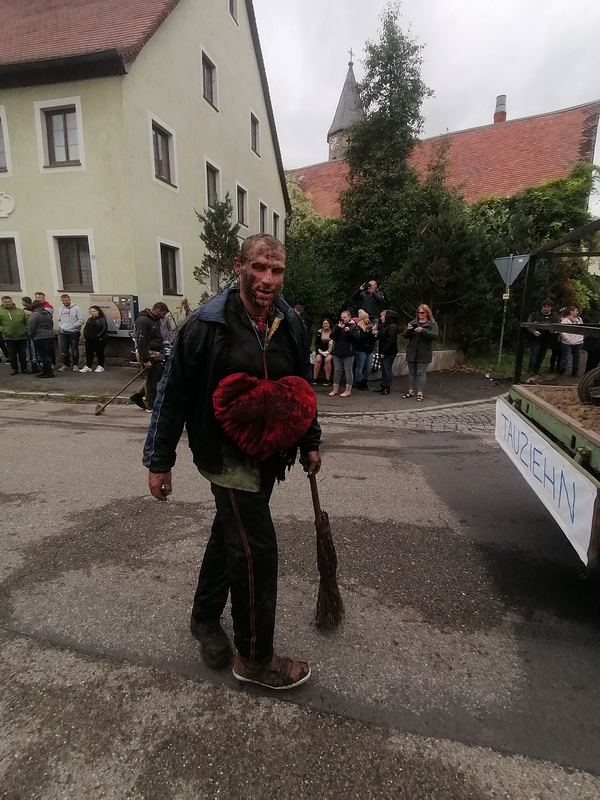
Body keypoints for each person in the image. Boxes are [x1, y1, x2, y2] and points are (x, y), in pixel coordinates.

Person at [143, 233, 321, 690]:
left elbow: (301, 387)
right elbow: (172, 395)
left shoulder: (289, 322)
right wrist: (159, 460)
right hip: (225, 456)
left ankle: (204, 618)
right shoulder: (206, 325)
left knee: (231, 535)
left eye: (276, 270)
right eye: (259, 267)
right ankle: (255, 659)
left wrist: (309, 441)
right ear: (239, 266)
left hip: (269, 453)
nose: (268, 279)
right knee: (257, 549)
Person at [130, 302, 169, 412]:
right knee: (152, 380)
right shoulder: (144, 321)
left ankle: (138, 395)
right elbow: (142, 341)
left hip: (155, 353)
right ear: (158, 311)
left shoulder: (153, 320)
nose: (163, 317)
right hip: (150, 354)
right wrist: (145, 359)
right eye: (163, 314)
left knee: (158, 376)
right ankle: (150, 405)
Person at [402, 305, 439, 401]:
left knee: (420, 373)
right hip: (412, 351)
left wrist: (422, 330)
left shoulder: (432, 324)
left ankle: (420, 393)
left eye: (422, 312)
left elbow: (434, 336)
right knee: (411, 373)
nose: (420, 314)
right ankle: (410, 391)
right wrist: (408, 330)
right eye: (418, 312)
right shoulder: (413, 322)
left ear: (427, 313)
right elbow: (404, 335)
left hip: (424, 352)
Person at [329, 309, 359, 397]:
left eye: (345, 317)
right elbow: (332, 336)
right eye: (342, 317)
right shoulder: (337, 326)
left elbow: (356, 339)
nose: (343, 319)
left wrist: (348, 331)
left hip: (348, 352)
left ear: (349, 317)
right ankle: (335, 389)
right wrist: (338, 328)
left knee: (348, 371)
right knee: (337, 370)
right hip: (337, 352)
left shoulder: (354, 327)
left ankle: (348, 390)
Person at [527, 300, 560, 374]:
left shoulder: (555, 316)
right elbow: (529, 325)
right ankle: (531, 370)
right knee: (534, 354)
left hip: (547, 338)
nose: (546, 308)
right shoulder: (535, 315)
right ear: (542, 307)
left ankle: (537, 370)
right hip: (536, 338)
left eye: (548, 307)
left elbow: (558, 326)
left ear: (551, 308)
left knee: (542, 355)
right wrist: (533, 331)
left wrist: (554, 331)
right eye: (544, 307)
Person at [0, 296, 29, 374]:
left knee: (22, 354)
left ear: (12, 301)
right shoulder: (1, 311)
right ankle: (14, 369)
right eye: (6, 302)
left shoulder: (20, 311)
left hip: (21, 336)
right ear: (3, 302)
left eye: (9, 301)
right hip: (9, 337)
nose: (8, 303)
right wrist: (4, 331)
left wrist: (25, 330)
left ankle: (24, 368)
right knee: (12, 354)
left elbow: (26, 321)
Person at [373, 309, 399, 395]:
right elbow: (380, 337)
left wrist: (384, 352)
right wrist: (375, 332)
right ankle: (383, 385)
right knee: (384, 369)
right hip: (383, 350)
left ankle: (387, 387)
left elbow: (390, 340)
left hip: (389, 352)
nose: (381, 318)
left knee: (387, 369)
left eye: (382, 316)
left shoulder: (392, 327)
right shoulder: (384, 326)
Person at [28, 300, 56, 378]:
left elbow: (32, 327)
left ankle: (49, 372)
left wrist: (31, 335)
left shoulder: (34, 315)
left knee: (43, 356)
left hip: (40, 337)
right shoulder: (47, 314)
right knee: (47, 355)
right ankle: (46, 371)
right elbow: (51, 324)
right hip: (50, 336)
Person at [57, 294, 83, 372]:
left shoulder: (76, 308)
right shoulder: (61, 309)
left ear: (69, 300)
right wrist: (61, 327)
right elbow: (59, 320)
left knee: (74, 349)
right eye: (63, 300)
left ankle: (75, 365)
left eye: (66, 300)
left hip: (73, 332)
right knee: (64, 349)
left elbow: (81, 320)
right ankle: (66, 364)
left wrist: (73, 326)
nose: (65, 302)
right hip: (63, 333)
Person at [79, 306, 109, 373]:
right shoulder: (89, 319)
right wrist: (85, 335)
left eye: (94, 311)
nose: (92, 313)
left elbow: (104, 328)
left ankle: (101, 366)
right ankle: (88, 366)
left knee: (99, 353)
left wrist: (98, 336)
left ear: (98, 311)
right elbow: (86, 328)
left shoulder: (102, 319)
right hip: (89, 339)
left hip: (99, 340)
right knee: (89, 353)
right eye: (91, 312)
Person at [354, 309, 376, 390]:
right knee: (360, 366)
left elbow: (373, 339)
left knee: (368, 367)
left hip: (369, 349)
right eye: (365, 318)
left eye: (368, 318)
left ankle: (365, 380)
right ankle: (358, 382)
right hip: (361, 349)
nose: (367, 319)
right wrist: (370, 332)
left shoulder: (370, 326)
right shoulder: (359, 327)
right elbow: (362, 338)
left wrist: (374, 334)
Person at [558, 306, 584, 377]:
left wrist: (581, 338)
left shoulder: (579, 319)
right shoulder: (565, 321)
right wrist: (568, 339)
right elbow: (562, 331)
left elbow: (582, 329)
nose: (577, 312)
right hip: (567, 343)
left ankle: (575, 371)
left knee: (577, 357)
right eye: (576, 310)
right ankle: (562, 369)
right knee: (566, 357)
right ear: (571, 311)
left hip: (578, 342)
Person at [312, 318, 333, 386]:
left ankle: (327, 379)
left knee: (327, 360)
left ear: (329, 324)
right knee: (318, 359)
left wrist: (329, 351)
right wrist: (319, 349)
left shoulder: (333, 331)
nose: (325, 325)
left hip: (330, 350)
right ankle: (314, 378)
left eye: (327, 323)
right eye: (324, 323)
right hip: (321, 349)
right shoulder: (319, 331)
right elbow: (316, 343)